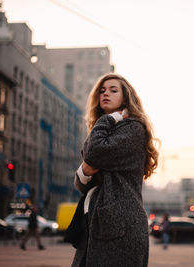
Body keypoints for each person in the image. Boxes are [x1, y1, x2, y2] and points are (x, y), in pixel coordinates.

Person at [71, 73, 159, 267]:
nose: (106, 94)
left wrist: (111, 118)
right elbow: (80, 183)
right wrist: (84, 170)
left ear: (125, 97)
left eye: (113, 90)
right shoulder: (105, 130)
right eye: (102, 91)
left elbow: (93, 154)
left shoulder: (133, 128)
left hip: (121, 226)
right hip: (98, 225)